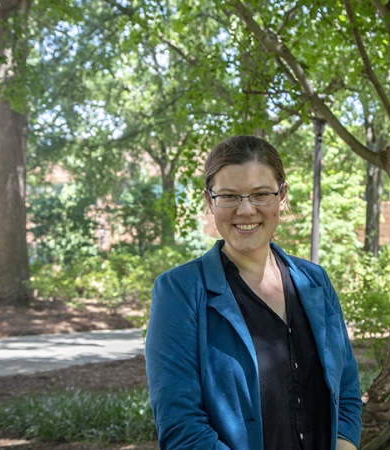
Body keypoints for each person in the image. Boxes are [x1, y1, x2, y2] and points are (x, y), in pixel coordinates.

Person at [146, 135, 363, 450]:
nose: (246, 210)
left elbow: (345, 387)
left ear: (282, 196)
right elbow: (182, 428)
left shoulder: (315, 281)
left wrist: (344, 444)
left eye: (261, 194)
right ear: (210, 200)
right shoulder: (179, 292)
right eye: (229, 196)